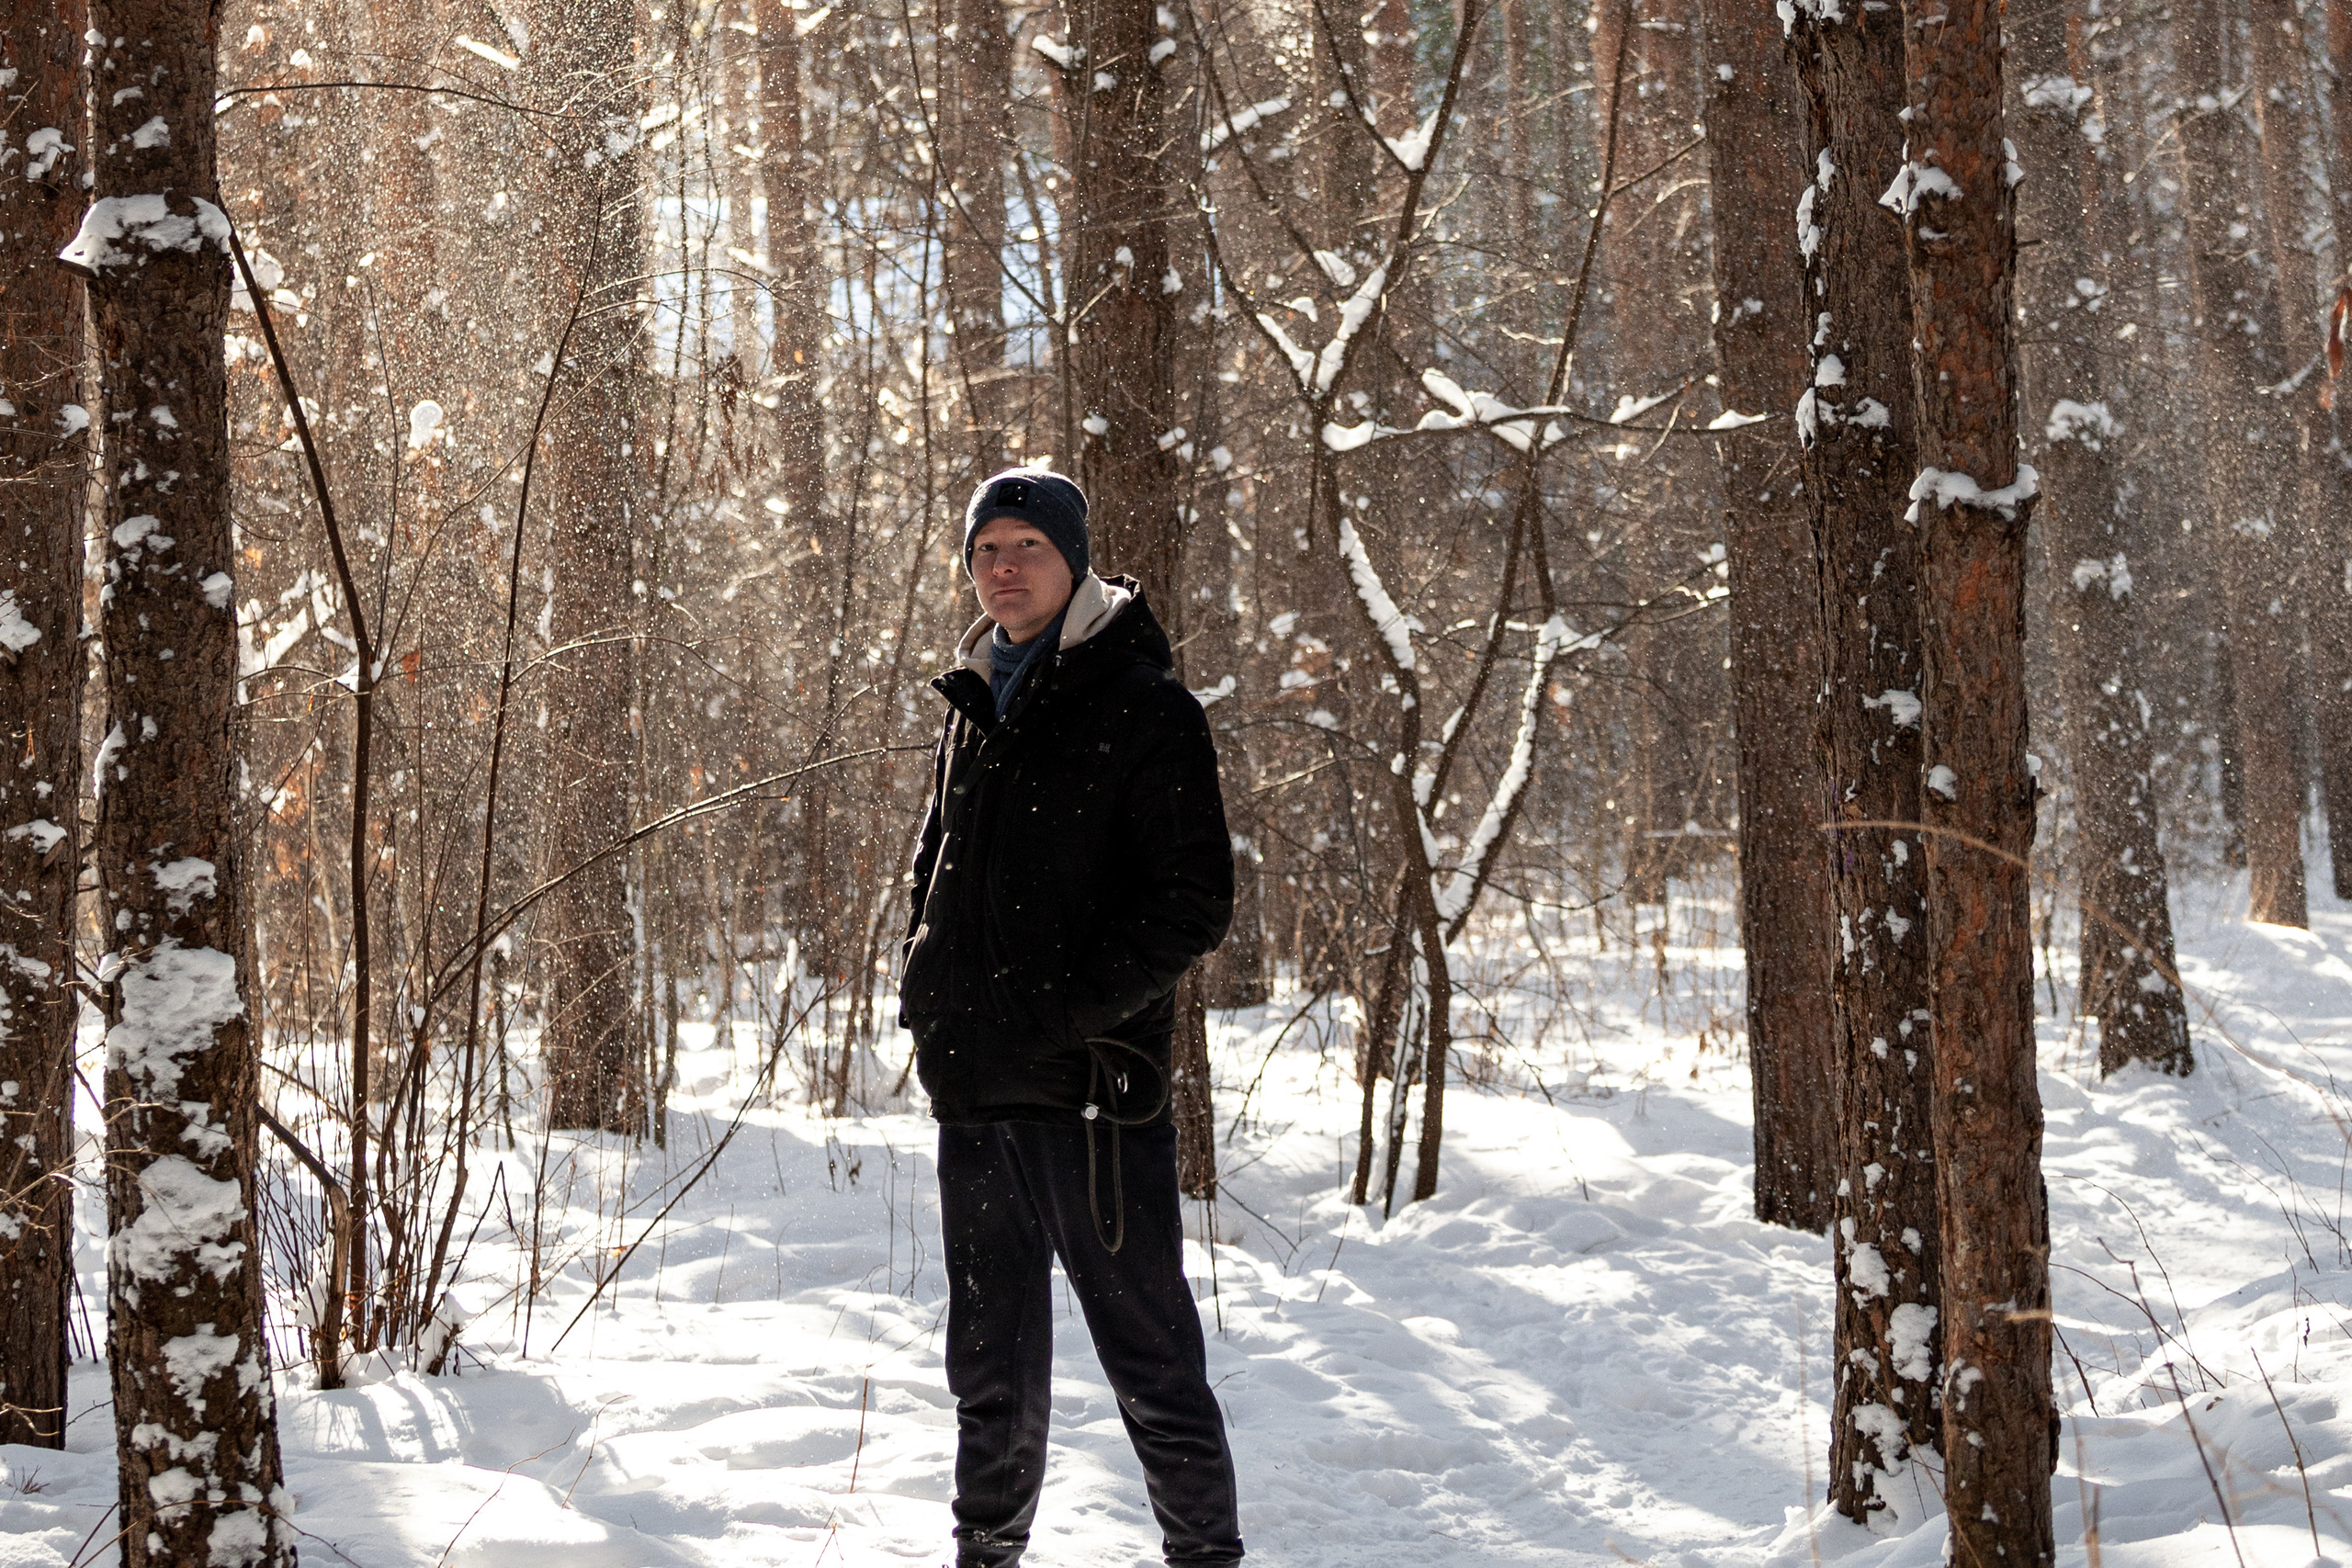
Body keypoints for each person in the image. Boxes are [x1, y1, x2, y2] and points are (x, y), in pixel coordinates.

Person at [899, 468, 1244, 1567]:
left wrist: (1054, 1015)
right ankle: (984, 1554)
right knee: (988, 1365)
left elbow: (1191, 901)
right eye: (986, 551)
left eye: (1027, 549)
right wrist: (927, 993)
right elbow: (936, 871)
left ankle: (1204, 1558)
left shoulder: (1143, 707)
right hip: (977, 1089)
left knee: (1147, 1355)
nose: (1004, 570)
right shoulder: (975, 698)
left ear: (1074, 560)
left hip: (1092, 1094)